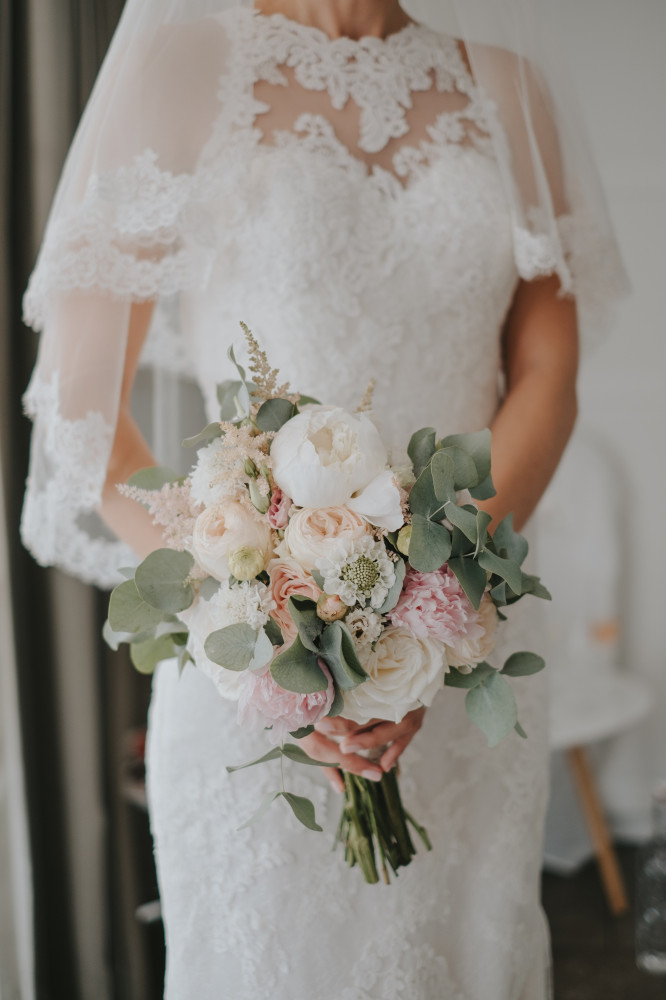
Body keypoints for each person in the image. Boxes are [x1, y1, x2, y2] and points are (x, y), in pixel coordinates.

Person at [21, 0, 627, 996]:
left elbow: (545, 375)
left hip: (468, 656)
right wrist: (260, 630)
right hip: (256, 681)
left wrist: (436, 610)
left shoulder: (511, 85)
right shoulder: (182, 66)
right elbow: (84, 412)